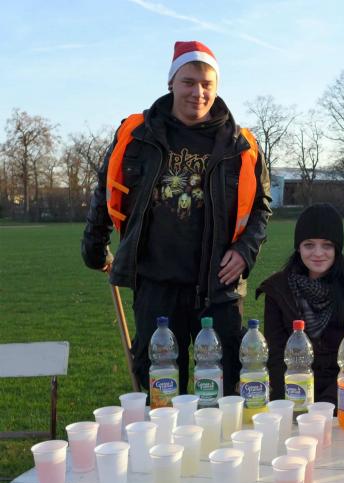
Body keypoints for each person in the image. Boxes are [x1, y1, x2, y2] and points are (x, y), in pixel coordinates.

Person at [81, 41, 271, 398]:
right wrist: (95, 247)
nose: (198, 92)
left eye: (207, 84)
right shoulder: (136, 135)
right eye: (188, 82)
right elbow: (105, 190)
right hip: (156, 284)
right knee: (161, 391)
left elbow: (261, 209)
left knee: (224, 389)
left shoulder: (242, 145)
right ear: (171, 82)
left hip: (219, 287)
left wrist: (245, 250)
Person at [256, 204, 344, 404]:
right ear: (298, 247)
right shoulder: (277, 289)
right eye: (309, 245)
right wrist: (297, 401)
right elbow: (275, 356)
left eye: (327, 245)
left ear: (337, 248)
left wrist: (328, 403)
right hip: (294, 391)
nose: (318, 253)